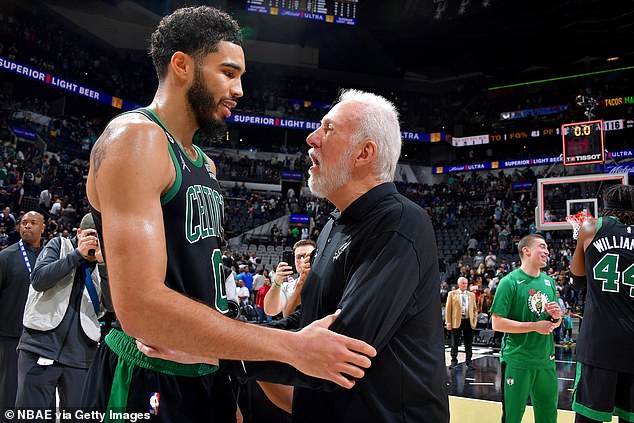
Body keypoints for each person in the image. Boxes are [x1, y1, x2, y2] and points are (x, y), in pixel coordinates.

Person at [80, 7, 375, 422]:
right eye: (228, 72)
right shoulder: (137, 139)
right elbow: (141, 307)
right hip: (148, 377)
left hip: (209, 372)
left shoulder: (205, 164)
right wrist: (291, 347)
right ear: (181, 64)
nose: (238, 89)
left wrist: (222, 374)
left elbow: (203, 286)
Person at [210, 89, 448, 421]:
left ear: (364, 153)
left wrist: (217, 347)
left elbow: (339, 347)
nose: (312, 138)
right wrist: (229, 333)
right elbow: (305, 321)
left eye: (329, 129)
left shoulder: (399, 223)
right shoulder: (334, 225)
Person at [15, 213, 104, 413]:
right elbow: (38, 280)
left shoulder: (105, 263)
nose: (95, 241)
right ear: (79, 233)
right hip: (40, 346)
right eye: (91, 234)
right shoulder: (59, 245)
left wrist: (104, 266)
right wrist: (76, 255)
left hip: (81, 355)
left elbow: (110, 306)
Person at [569, 184, 634, 423]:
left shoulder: (591, 227)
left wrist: (580, 240)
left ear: (606, 208)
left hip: (600, 344)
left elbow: (576, 280)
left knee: (590, 419)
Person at [491, 234, 562, 423]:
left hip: (546, 360)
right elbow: (497, 323)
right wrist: (534, 327)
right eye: (542, 247)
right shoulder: (509, 282)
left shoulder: (549, 282)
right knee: (512, 417)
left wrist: (557, 317)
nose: (547, 251)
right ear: (526, 250)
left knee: (548, 417)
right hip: (517, 360)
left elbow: (553, 323)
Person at [0, 211, 45, 413]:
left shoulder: (48, 258)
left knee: (34, 395)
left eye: (33, 223)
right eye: (24, 223)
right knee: (8, 392)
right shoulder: (6, 257)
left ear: (43, 228)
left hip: (39, 339)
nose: (27, 226)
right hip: (9, 337)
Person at [264, 239, 316, 317]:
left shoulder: (329, 280)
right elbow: (270, 311)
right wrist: (277, 282)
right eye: (299, 257)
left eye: (308, 256)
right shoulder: (287, 286)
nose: (303, 260)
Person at [445, 276, 477, 369]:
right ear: (459, 284)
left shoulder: (472, 295)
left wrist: (474, 320)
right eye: (463, 283)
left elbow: (475, 309)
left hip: (468, 321)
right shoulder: (452, 294)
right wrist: (448, 322)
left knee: (469, 343)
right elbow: (448, 309)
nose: (465, 285)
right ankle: (453, 361)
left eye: (466, 283)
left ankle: (469, 361)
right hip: (456, 321)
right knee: (454, 342)